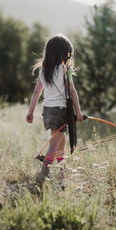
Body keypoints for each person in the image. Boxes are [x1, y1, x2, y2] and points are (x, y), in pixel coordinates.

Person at [26, 34, 83, 177]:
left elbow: (36, 93)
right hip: (60, 111)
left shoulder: (44, 71)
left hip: (47, 111)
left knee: (60, 139)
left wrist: (30, 112)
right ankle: (45, 171)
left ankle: (62, 167)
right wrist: (79, 112)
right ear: (64, 54)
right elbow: (72, 92)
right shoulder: (65, 71)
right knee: (54, 143)